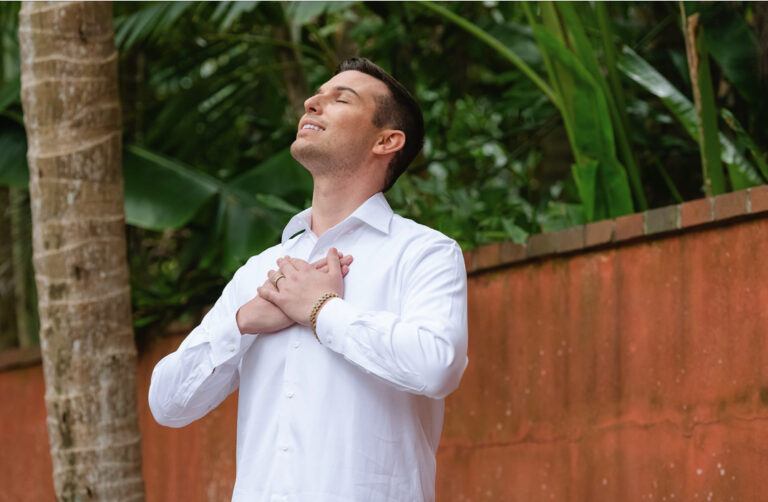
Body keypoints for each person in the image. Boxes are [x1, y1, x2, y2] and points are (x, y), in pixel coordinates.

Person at [148, 57, 468, 502]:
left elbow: (437, 366)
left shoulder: (424, 253)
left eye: (341, 98)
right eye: (316, 95)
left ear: (387, 140)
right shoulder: (260, 272)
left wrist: (322, 311)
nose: (312, 103)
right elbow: (167, 404)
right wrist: (241, 322)